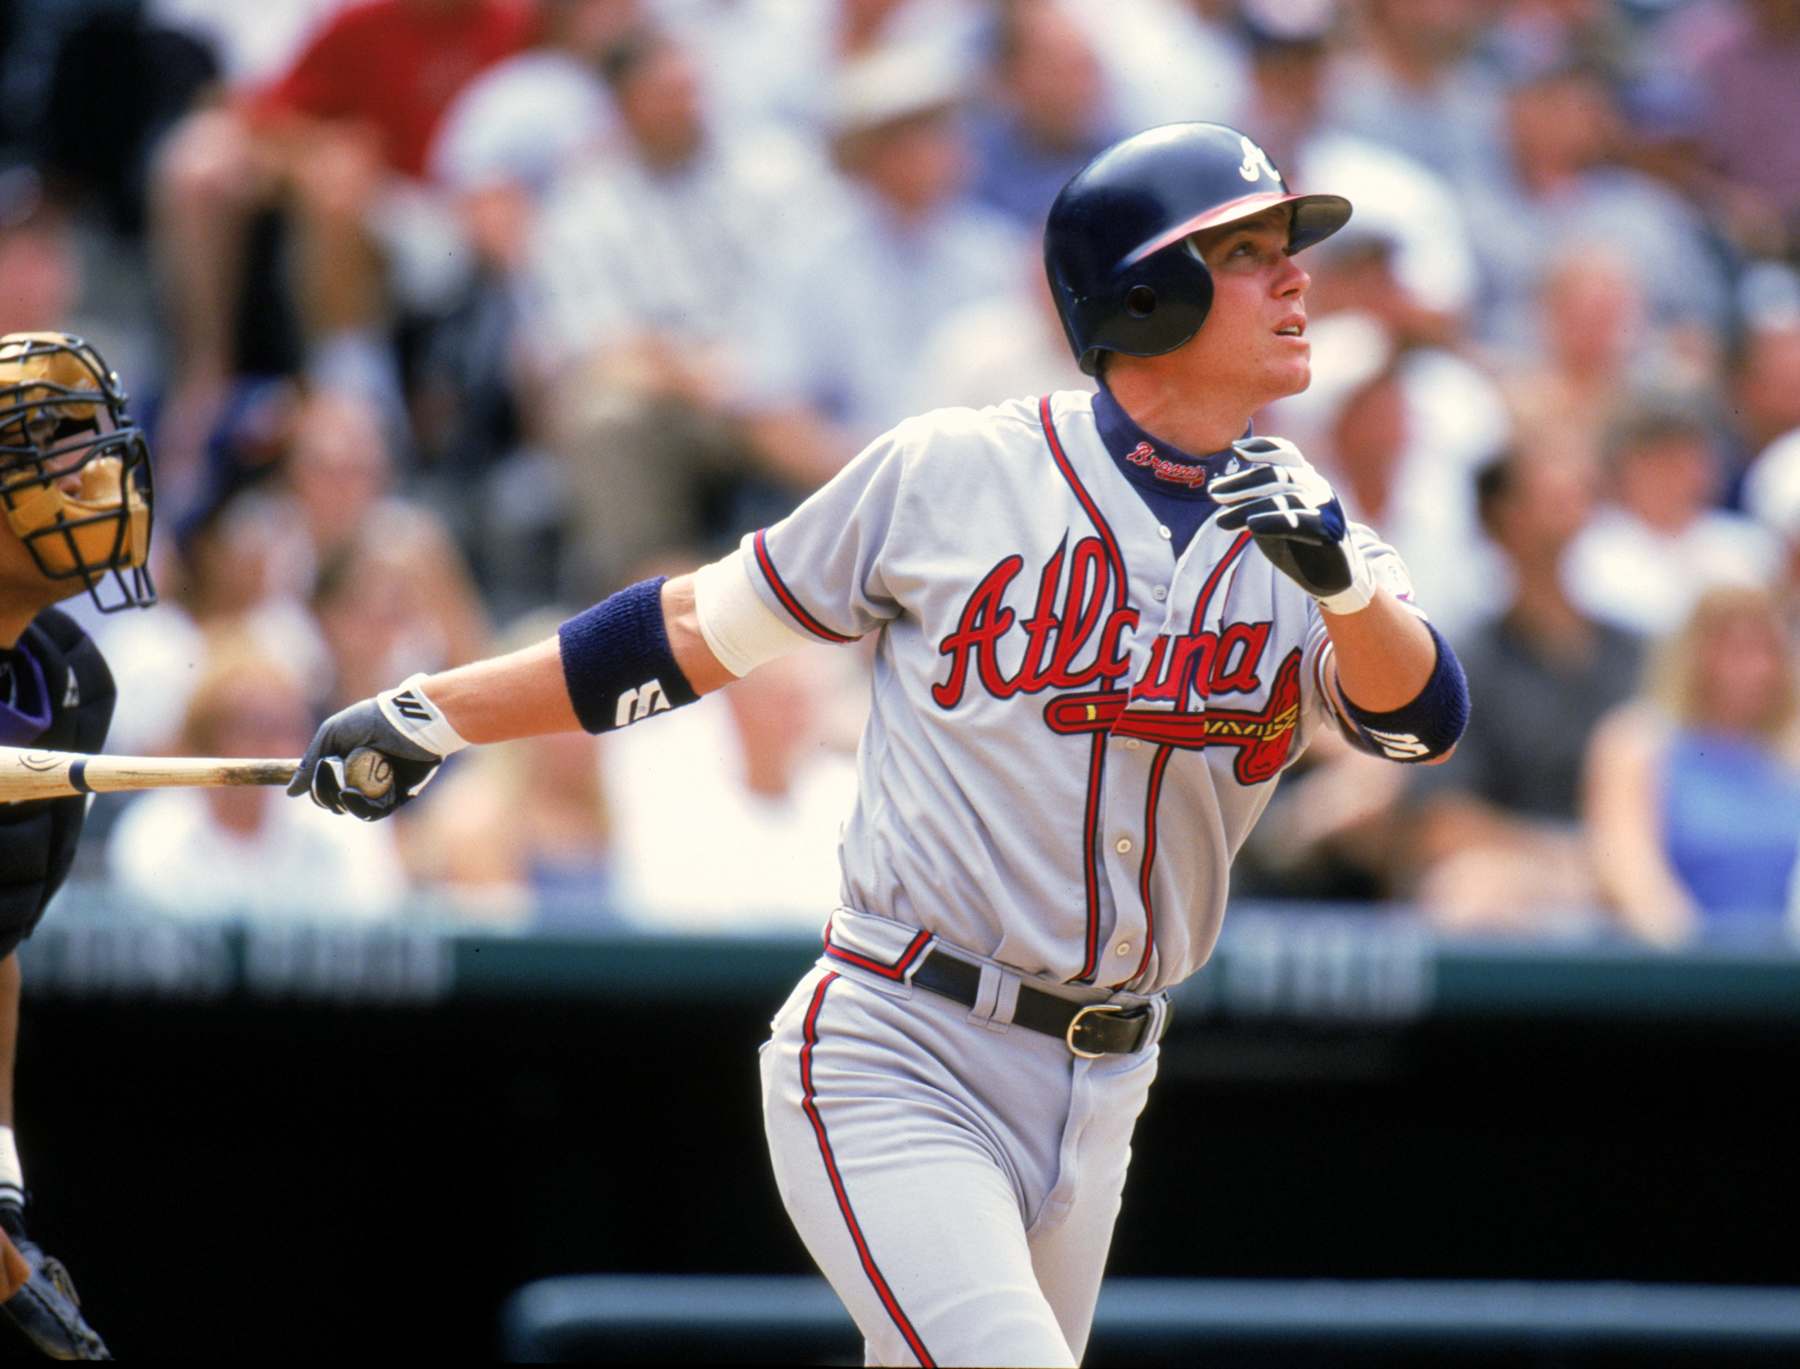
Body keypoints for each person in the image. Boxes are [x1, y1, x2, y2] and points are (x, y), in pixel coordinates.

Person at [285, 123, 1469, 1367]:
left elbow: (1419, 721)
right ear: (1145, 292)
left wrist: (1340, 583)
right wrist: (435, 714)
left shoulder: (1308, 526)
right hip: (905, 1044)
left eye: (1289, 249)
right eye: (1248, 251)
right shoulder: (958, 470)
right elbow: (693, 628)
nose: (1297, 278)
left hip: (1110, 1076)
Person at [0, 332, 142, 1357]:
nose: (95, 469)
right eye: (48, 445)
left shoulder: (71, 678)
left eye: (92, 439)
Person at [1584, 585, 1800, 947]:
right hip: (1677, 972)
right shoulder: (1636, 743)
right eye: (1730, 649)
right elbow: (1626, 869)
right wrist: (1700, 961)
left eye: (1764, 650)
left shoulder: (1792, 751)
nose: (1748, 669)